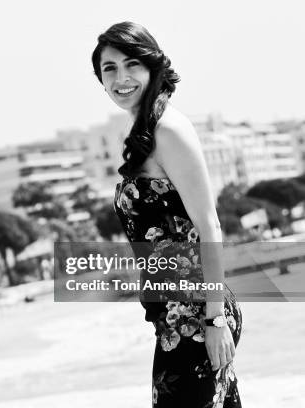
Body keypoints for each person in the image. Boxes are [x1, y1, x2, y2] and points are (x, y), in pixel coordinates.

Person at [92, 22, 243, 407]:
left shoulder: (168, 130)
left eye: (131, 65)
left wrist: (215, 320)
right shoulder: (145, 130)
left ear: (152, 67)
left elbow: (209, 225)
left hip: (198, 316)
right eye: (109, 69)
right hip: (177, 315)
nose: (121, 78)